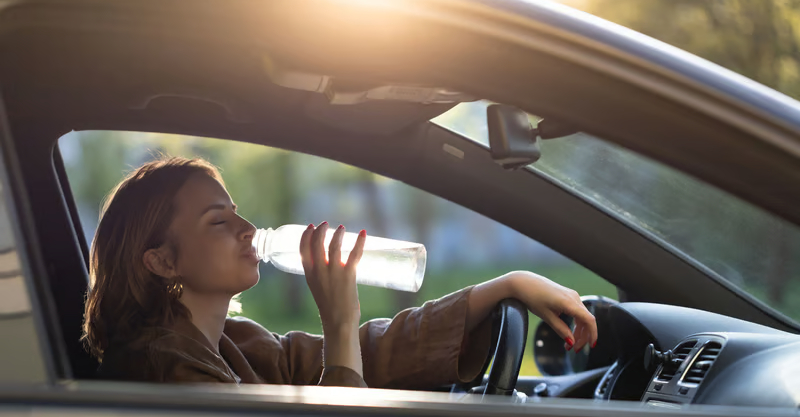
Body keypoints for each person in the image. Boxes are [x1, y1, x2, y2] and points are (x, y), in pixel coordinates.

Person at [83, 156, 597, 388]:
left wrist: (504, 286)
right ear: (162, 261)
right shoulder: (164, 372)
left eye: (237, 211)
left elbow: (374, 351)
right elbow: (345, 353)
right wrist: (340, 325)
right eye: (218, 220)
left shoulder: (231, 344)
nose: (246, 227)